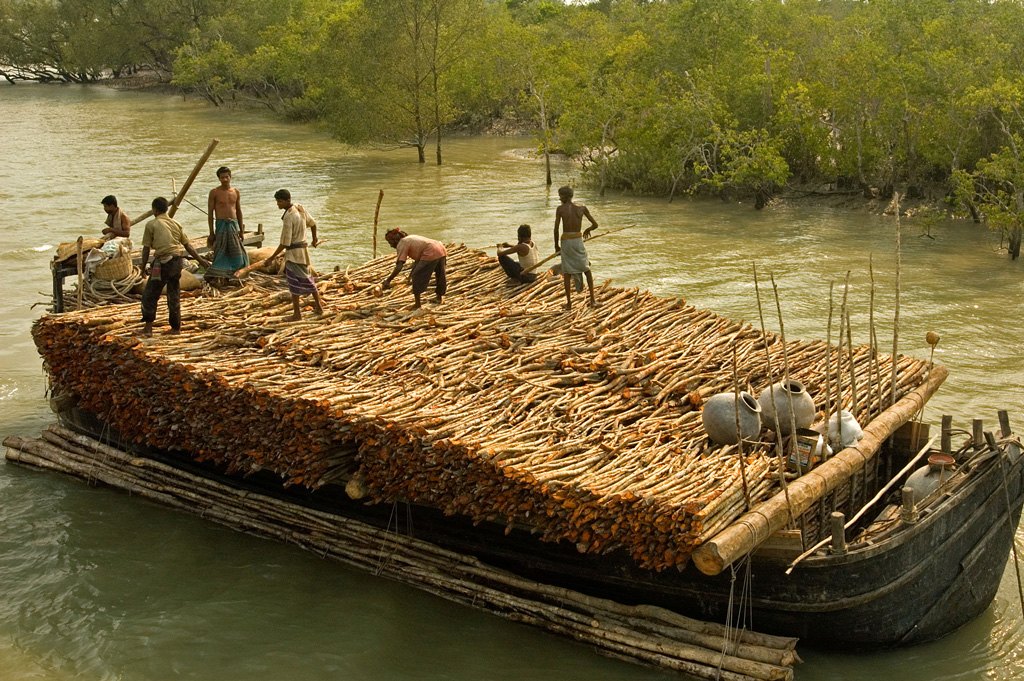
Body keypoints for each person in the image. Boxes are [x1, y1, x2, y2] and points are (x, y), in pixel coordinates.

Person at [139, 197, 210, 336]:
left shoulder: (151, 224)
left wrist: (142, 268)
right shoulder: (176, 223)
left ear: (155, 210)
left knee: (150, 294)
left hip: (163, 263)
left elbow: (146, 249)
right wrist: (201, 261)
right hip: (177, 261)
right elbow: (188, 245)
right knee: (173, 294)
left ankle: (148, 328)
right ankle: (175, 328)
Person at [262, 188, 324, 321]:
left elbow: (285, 242)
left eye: (280, 201)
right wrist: (314, 239)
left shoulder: (289, 216)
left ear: (287, 201)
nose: (278, 204)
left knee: (294, 283)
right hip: (304, 252)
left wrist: (271, 258)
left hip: (294, 255)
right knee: (309, 279)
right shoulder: (300, 208)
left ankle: (297, 314)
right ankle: (318, 307)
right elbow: (313, 224)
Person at [553, 186, 597, 310]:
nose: (559, 198)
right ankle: (592, 300)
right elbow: (595, 225)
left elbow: (556, 229)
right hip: (578, 240)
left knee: (567, 272)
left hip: (566, 241)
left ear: (565, 197)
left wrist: (556, 246)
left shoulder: (560, 209)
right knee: (586, 269)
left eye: (560, 195)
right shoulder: (581, 208)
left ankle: (569, 303)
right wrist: (588, 229)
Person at [381, 228, 447, 309]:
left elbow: (399, 266)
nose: (391, 246)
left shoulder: (402, 243)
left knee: (416, 276)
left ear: (395, 240)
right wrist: (411, 273)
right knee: (440, 274)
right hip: (441, 248)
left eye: (390, 243)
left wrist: (388, 280)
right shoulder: (411, 238)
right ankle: (439, 297)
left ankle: (417, 304)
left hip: (430, 251)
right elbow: (418, 260)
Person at [205, 167, 249, 280]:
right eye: (222, 177)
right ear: (219, 179)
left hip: (233, 225)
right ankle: (220, 272)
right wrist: (211, 232)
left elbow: (239, 211)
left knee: (237, 249)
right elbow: (210, 213)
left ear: (230, 177)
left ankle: (237, 272)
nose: (225, 179)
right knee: (220, 249)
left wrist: (242, 231)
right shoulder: (214, 192)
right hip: (221, 224)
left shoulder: (235, 192)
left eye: (226, 177)